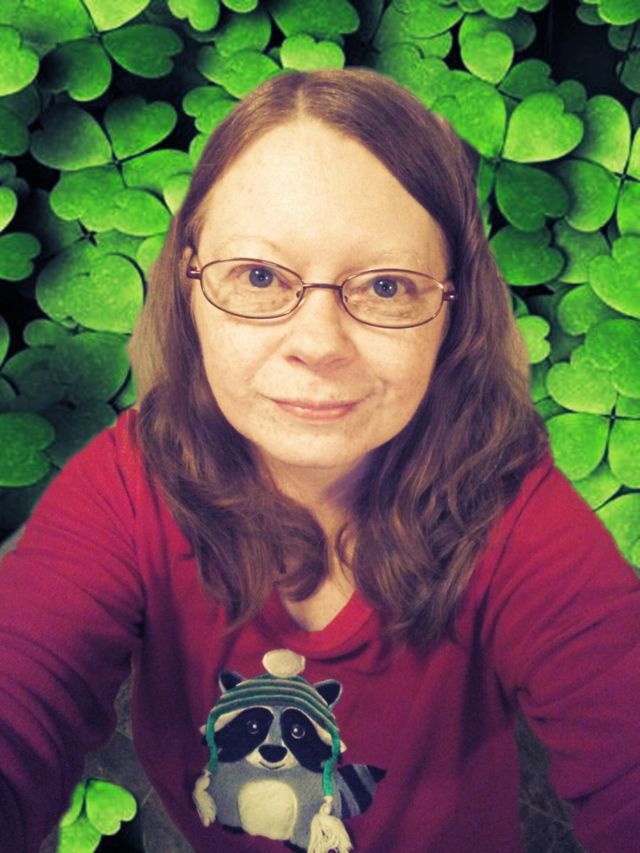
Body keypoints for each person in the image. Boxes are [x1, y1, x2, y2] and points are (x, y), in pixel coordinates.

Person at [1, 67, 638, 853]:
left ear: (455, 309)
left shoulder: (510, 510)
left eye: (387, 286)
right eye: (258, 276)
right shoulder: (130, 486)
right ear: (189, 286)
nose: (318, 343)